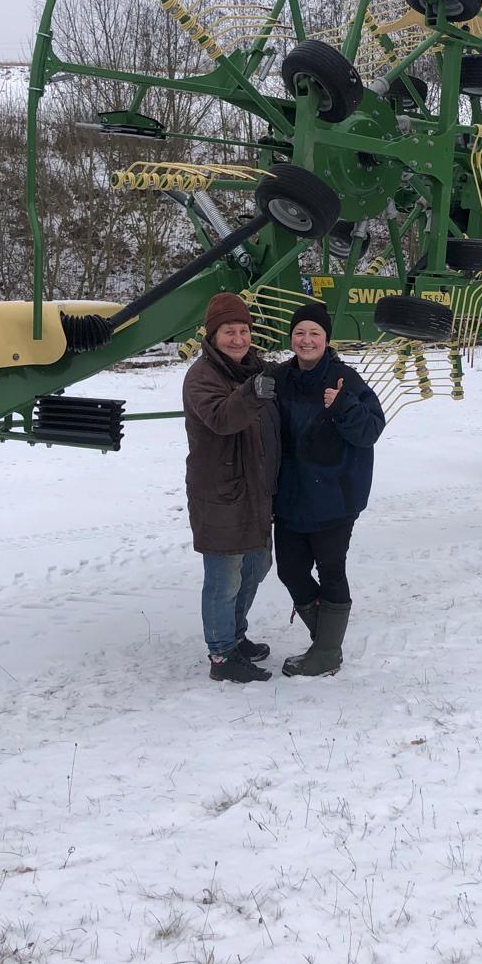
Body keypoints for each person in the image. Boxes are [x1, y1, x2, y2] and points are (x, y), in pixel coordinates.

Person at [274, 302, 385, 677]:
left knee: (331, 571)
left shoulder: (345, 380)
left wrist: (343, 406)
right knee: (290, 571)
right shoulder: (279, 379)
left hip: (335, 496)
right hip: (290, 496)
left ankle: (325, 653)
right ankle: (326, 643)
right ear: (291, 338)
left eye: (314, 333)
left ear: (326, 339)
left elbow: (370, 431)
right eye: (299, 333)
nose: (306, 340)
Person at [183, 292, 280, 683]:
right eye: (229, 332)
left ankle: (235, 636)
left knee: (257, 566)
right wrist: (253, 393)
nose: (238, 339)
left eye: (243, 331)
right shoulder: (202, 377)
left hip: (256, 489)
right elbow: (223, 418)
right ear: (213, 335)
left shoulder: (254, 368)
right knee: (224, 580)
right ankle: (222, 656)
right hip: (220, 493)